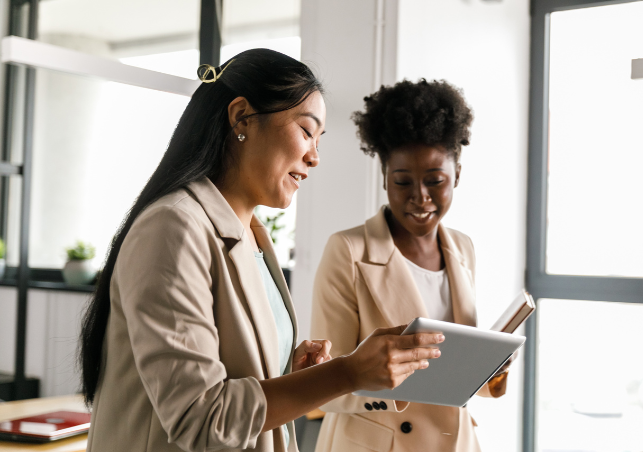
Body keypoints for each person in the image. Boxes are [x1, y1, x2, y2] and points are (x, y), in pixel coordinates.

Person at [79, 50, 443, 452]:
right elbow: (202, 420)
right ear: (241, 117)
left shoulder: (252, 236)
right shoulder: (173, 227)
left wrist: (291, 369)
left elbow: (232, 371)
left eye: (319, 140)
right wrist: (346, 372)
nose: (315, 157)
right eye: (306, 131)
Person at [311, 79, 512, 452]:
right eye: (403, 182)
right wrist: (390, 380)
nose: (420, 197)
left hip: (456, 442)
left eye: (436, 181)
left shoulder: (463, 249)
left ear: (458, 176)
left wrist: (489, 374)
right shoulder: (348, 251)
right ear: (385, 179)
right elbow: (324, 386)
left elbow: (452, 366)